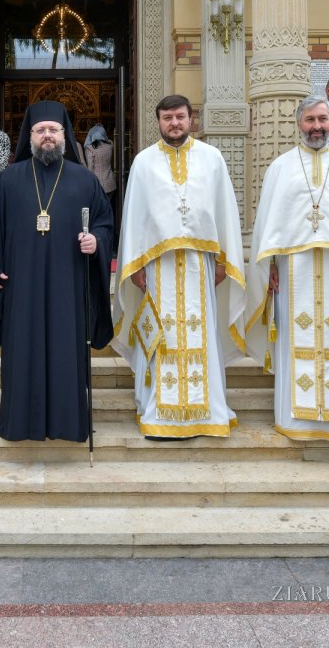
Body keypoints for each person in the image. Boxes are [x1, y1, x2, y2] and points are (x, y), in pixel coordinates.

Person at [245, 96, 329, 443]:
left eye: (322, 119)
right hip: (293, 271)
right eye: (310, 120)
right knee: (293, 337)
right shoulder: (281, 167)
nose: (317, 126)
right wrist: (269, 264)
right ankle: (294, 418)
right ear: (298, 123)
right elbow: (268, 225)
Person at [0, 100, 114, 442]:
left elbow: (104, 224)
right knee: (21, 352)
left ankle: (68, 424)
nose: (47, 136)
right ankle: (20, 424)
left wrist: (95, 242)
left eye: (54, 130)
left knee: (65, 354)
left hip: (68, 286)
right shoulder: (10, 180)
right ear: (30, 137)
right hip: (21, 286)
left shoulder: (85, 180)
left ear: (65, 135)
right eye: (40, 130)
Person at [113, 95, 245, 439]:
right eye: (168, 118)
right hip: (158, 266)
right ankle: (160, 408)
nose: (175, 123)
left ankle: (207, 409)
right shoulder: (143, 162)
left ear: (191, 119)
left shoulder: (212, 159)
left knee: (202, 332)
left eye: (181, 117)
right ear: (158, 121)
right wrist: (136, 264)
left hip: (201, 265)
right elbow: (136, 218)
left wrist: (223, 259)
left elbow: (224, 211)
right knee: (163, 333)